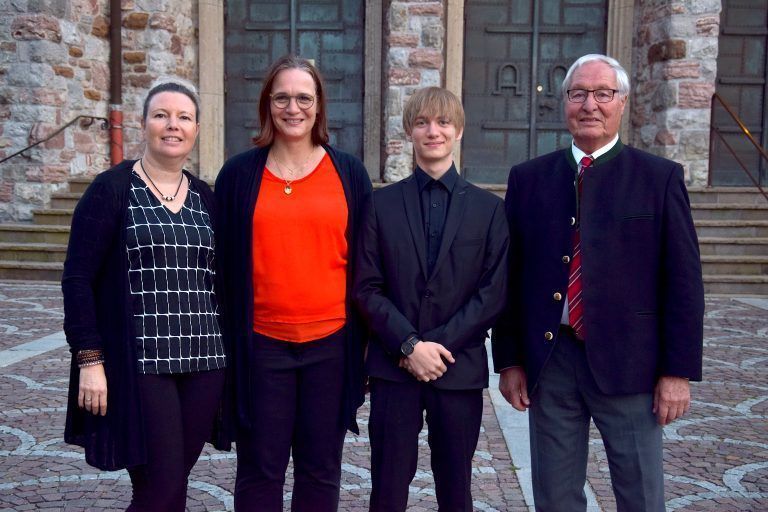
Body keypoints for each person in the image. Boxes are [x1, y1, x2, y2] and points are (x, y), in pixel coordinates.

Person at [493, 54, 705, 511]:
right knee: (555, 497)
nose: (590, 104)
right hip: (552, 363)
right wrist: (509, 359)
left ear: (622, 103)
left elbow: (684, 282)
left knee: (641, 495)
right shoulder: (528, 179)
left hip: (632, 365)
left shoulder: (659, 178)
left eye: (602, 93)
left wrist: (677, 372)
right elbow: (510, 277)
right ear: (564, 103)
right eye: (578, 94)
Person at [214, 55, 372, 511]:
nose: (293, 107)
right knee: (260, 470)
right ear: (268, 104)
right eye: (281, 97)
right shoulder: (239, 175)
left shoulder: (349, 173)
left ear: (320, 106)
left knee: (320, 470)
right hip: (261, 346)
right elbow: (222, 266)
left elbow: (365, 263)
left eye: (304, 97)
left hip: (332, 346)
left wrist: (366, 344)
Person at [62, 80, 229, 511]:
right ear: (144, 124)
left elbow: (221, 280)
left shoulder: (206, 198)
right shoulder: (112, 189)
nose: (172, 125)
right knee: (163, 485)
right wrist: (89, 359)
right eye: (161, 115)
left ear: (196, 128)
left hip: (205, 362)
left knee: (165, 487)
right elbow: (78, 278)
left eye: (184, 117)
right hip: (141, 365)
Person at [354, 87, 510, 511]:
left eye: (443, 122)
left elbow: (492, 293)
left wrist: (436, 348)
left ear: (458, 131)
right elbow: (366, 286)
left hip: (457, 369)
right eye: (422, 122)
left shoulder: (489, 209)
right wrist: (408, 346)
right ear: (409, 131)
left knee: (456, 490)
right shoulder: (379, 203)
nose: (433, 131)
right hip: (393, 370)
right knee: (386, 489)